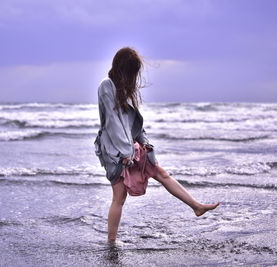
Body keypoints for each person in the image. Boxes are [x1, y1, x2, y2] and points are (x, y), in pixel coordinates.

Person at [94, 47, 220, 243]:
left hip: (130, 147)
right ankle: (111, 242)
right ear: (122, 68)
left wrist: (145, 142)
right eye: (132, 71)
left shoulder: (125, 90)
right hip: (114, 152)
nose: (134, 77)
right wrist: (125, 153)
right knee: (119, 196)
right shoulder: (106, 86)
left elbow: (133, 124)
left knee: (161, 173)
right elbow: (112, 123)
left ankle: (196, 206)